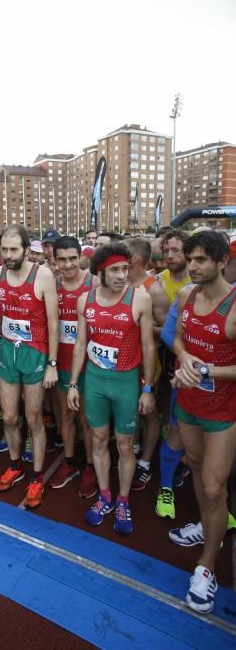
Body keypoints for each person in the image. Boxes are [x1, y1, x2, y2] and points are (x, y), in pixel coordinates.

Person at [67, 243, 155, 535]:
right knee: (99, 440)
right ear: (100, 273)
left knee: (125, 445)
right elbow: (80, 344)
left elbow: (148, 346)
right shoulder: (86, 301)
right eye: (115, 270)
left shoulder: (139, 300)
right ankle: (105, 495)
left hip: (126, 382)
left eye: (125, 269)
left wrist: (148, 389)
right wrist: (73, 384)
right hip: (94, 381)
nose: (122, 275)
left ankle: (123, 499)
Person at [172, 231, 236, 614]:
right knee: (195, 469)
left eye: (200, 260)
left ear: (221, 262)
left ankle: (207, 566)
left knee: (214, 488)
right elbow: (179, 340)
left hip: (224, 413)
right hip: (189, 403)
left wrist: (209, 368)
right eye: (189, 259)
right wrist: (184, 360)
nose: (191, 266)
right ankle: (207, 525)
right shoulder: (186, 296)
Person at [0, 224, 59, 509]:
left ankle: (37, 476)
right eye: (4, 249)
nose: (8, 254)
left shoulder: (43, 275)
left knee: (33, 418)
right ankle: (15, 465)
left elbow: (53, 322)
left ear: (27, 250)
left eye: (14, 249)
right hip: (8, 352)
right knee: (10, 417)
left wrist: (52, 364)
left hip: (36, 353)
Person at [49, 236, 99, 496]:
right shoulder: (52, 288)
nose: (67, 264)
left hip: (91, 365)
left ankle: (90, 466)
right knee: (66, 415)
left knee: (87, 418)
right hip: (63, 363)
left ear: (81, 257)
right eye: (62, 260)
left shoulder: (95, 285)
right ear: (55, 262)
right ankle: (70, 462)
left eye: (72, 258)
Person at [123, 236, 169, 491]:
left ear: (135, 259)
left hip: (146, 360)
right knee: (128, 408)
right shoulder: (119, 281)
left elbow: (169, 332)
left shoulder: (154, 288)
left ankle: (145, 462)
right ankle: (133, 448)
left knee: (148, 411)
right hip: (122, 360)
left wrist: (146, 328)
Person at [155, 229, 192, 519]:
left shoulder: (226, 294)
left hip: (211, 377)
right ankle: (166, 483)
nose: (169, 256)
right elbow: (168, 331)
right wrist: (185, 353)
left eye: (176, 251)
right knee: (173, 419)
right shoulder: (165, 286)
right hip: (175, 361)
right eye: (166, 250)